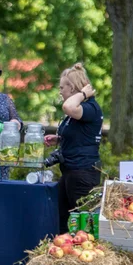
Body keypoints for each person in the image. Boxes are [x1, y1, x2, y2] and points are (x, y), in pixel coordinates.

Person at [44, 63, 103, 233]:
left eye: (62, 87)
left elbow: (68, 107)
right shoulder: (79, 111)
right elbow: (82, 134)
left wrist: (83, 92)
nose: (60, 91)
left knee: (82, 223)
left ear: (73, 88)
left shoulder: (90, 107)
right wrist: (59, 139)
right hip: (70, 171)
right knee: (63, 219)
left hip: (83, 172)